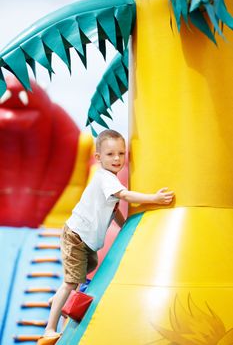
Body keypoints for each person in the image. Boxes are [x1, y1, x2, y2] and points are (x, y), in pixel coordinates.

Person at [40, 129, 174, 343]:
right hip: (76, 236)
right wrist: (154, 199)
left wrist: (126, 228)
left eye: (121, 154)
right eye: (110, 154)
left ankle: (58, 297)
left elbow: (114, 209)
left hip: (86, 241)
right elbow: (125, 196)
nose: (117, 159)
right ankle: (49, 327)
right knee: (72, 282)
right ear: (98, 157)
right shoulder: (104, 178)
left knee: (86, 271)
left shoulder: (110, 179)